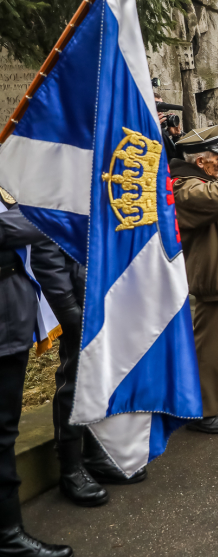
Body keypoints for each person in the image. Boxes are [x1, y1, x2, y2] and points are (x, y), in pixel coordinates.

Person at [0, 206, 75, 557]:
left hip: (11, 320)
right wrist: (48, 211)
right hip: (5, 322)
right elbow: (18, 224)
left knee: (6, 430)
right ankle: (8, 533)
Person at [170, 126, 218, 434]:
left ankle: (215, 400)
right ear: (200, 161)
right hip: (207, 278)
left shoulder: (201, 181)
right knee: (207, 349)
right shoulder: (182, 185)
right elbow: (217, 201)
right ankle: (201, 410)